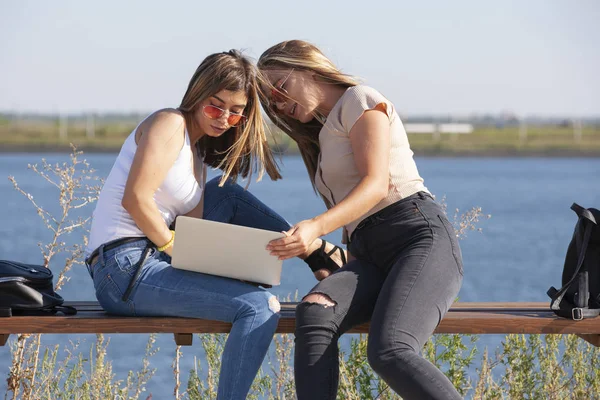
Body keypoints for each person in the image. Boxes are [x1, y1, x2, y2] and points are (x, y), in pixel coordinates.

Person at [85, 50, 344, 400]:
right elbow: (136, 198)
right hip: (124, 268)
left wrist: (238, 266)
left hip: (152, 260)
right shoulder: (169, 123)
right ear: (198, 93)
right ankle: (317, 253)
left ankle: (312, 252)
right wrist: (172, 246)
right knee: (259, 306)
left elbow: (196, 240)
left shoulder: (197, 157)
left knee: (228, 196)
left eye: (236, 112)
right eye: (215, 105)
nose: (224, 118)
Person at [258, 40, 464, 400]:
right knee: (314, 314)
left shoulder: (359, 99)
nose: (277, 102)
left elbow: (375, 187)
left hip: (417, 237)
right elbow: (360, 217)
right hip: (370, 256)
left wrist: (314, 228)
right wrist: (343, 263)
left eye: (280, 87)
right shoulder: (324, 134)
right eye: (270, 100)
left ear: (307, 68)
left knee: (390, 351)